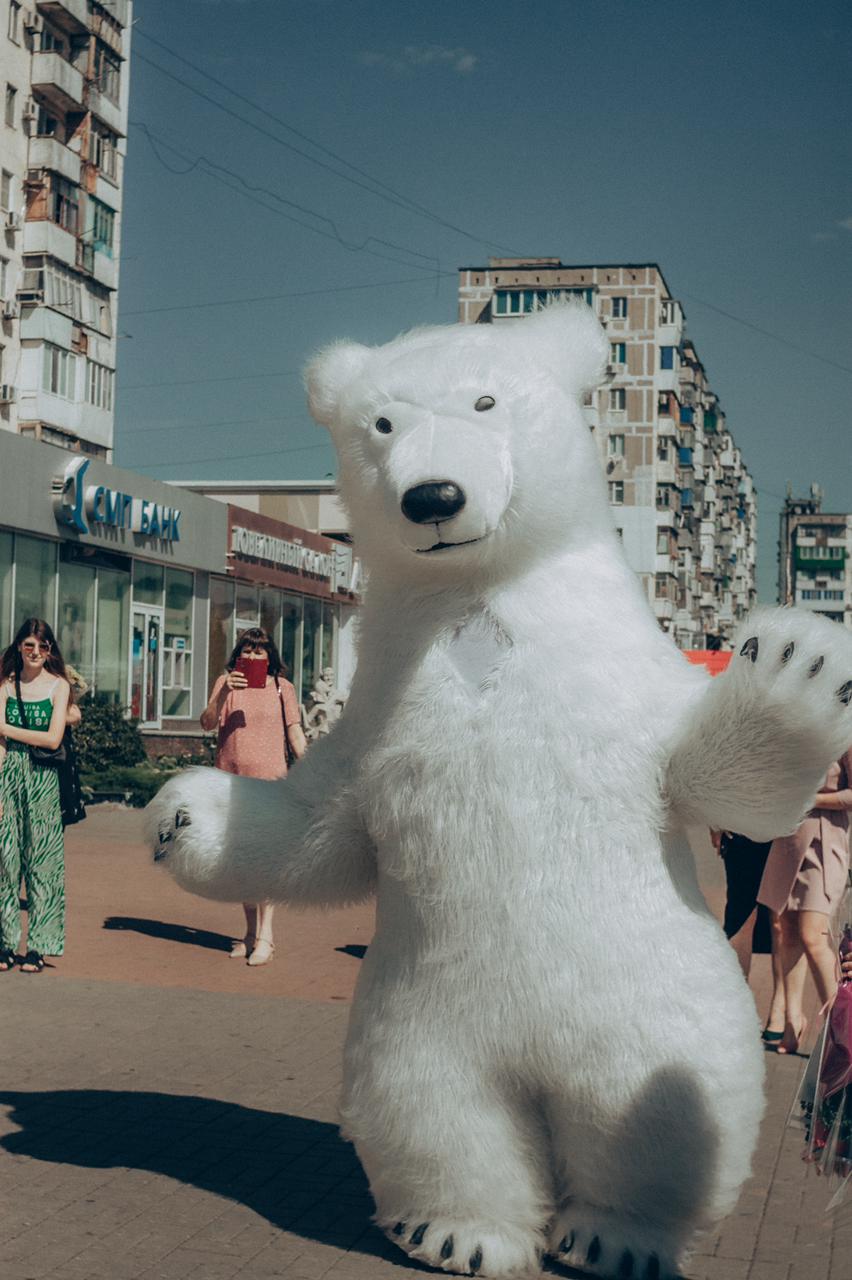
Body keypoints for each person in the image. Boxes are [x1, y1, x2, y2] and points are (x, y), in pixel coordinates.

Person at [200, 626, 306, 966]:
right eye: (247, 650)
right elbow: (206, 722)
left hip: (270, 783)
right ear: (238, 654)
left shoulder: (281, 687)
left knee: (265, 861)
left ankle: (267, 937)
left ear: (270, 656)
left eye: (259, 652)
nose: (252, 657)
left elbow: (295, 732)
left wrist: (311, 765)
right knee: (241, 862)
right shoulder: (225, 683)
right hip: (230, 782)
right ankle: (248, 934)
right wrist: (221, 695)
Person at [758, 748, 852, 1055]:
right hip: (789, 836)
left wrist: (815, 800)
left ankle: (842, 1029)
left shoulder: (844, 733)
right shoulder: (798, 724)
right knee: (785, 930)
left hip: (825, 840)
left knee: (814, 934)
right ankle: (792, 1021)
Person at [0, 619, 74, 973]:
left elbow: (53, 739)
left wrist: (5, 727)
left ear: (50, 651)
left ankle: (39, 946)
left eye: (42, 647)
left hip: (43, 777)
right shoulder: (5, 684)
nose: (34, 653)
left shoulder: (58, 686)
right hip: (8, 774)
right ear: (18, 646)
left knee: (43, 862)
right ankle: (4, 941)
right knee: (5, 860)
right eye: (28, 645)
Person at [711, 827, 791, 1044]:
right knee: (740, 916)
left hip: (787, 822)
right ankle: (736, 1007)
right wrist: (715, 820)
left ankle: (781, 1004)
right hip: (742, 820)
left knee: (780, 920)